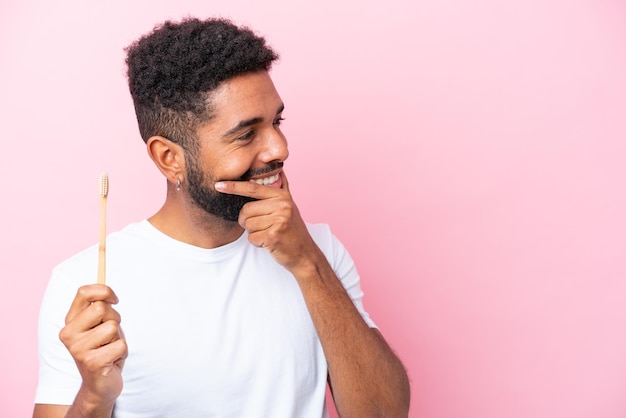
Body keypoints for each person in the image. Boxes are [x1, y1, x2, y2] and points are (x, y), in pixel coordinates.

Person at [33, 17, 410, 418]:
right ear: (169, 158)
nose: (278, 148)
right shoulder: (86, 284)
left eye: (276, 122)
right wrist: (95, 394)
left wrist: (308, 263)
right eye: (246, 135)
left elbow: (384, 413)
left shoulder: (318, 252)